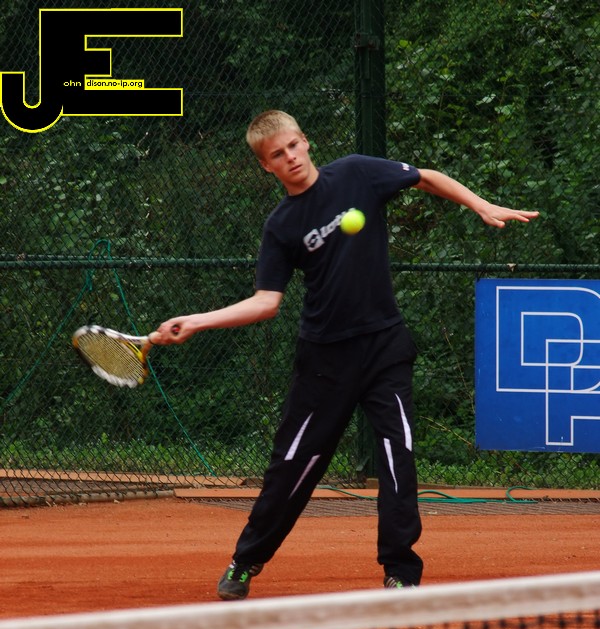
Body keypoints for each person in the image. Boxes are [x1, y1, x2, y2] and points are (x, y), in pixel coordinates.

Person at [152, 110, 539, 600]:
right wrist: (198, 321)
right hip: (324, 361)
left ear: (306, 141)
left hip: (384, 347)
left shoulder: (357, 173)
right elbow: (266, 302)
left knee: (398, 456)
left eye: (293, 146)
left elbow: (424, 177)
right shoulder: (281, 225)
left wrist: (480, 205)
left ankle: (400, 571)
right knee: (294, 466)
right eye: (277, 155)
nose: (290, 157)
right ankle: (246, 559)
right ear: (266, 166)